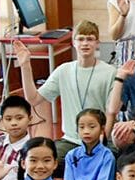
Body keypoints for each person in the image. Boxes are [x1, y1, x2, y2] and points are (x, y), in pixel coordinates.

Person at [15, 21, 117, 161]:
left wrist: (103, 138)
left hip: (98, 139)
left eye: (90, 39)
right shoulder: (63, 70)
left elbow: (111, 112)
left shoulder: (110, 72)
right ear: (73, 42)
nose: (85, 43)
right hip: (70, 140)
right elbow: (33, 99)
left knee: (114, 161)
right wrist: (25, 65)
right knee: (46, 161)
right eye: (80, 39)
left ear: (97, 43)